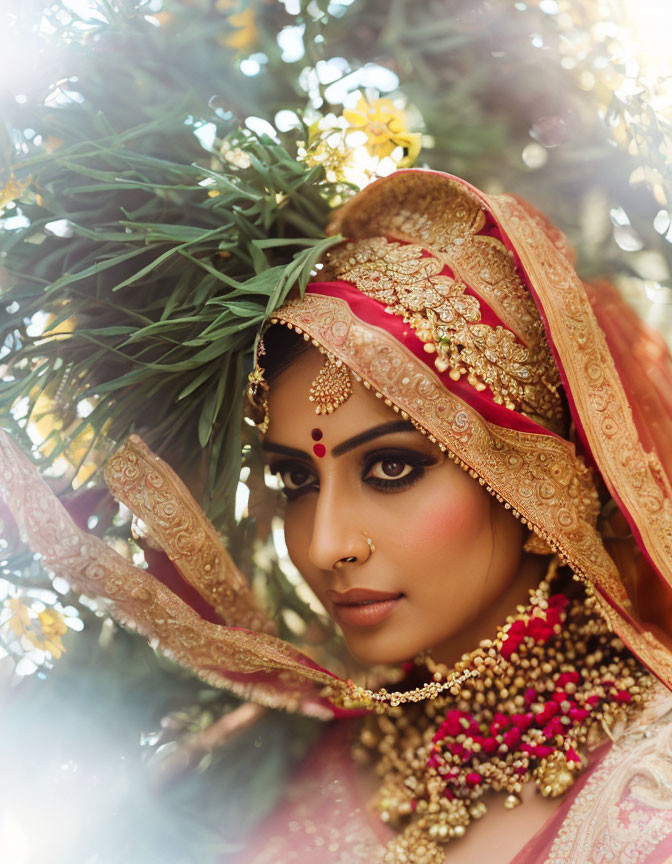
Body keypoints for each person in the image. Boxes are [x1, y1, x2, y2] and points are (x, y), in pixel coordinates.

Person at [2, 169, 672, 863]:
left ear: (537, 485)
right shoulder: (299, 743)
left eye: (391, 469)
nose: (326, 546)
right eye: (295, 479)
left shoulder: (647, 805)